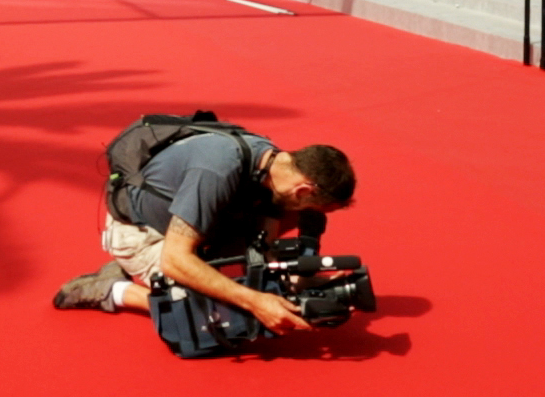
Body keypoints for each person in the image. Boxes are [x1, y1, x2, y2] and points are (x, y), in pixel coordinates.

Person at [52, 125, 356, 332]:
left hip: (199, 225)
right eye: (311, 205)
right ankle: (112, 288)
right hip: (145, 237)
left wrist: (292, 282)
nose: (311, 216)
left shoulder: (274, 163)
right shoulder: (217, 170)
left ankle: (224, 282)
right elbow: (176, 259)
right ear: (303, 189)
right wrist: (254, 302)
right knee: (226, 316)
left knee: (249, 286)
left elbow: (263, 238)